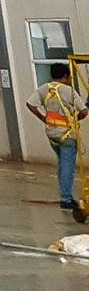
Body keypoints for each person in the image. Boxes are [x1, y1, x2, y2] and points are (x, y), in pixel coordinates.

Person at [29, 61, 88, 221]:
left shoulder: (44, 89)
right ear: (65, 77)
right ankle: (66, 199)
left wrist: (43, 118)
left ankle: (65, 194)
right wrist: (75, 118)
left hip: (52, 134)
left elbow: (30, 104)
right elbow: (83, 112)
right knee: (68, 166)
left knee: (62, 164)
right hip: (67, 134)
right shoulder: (69, 91)